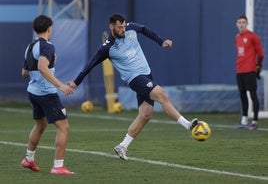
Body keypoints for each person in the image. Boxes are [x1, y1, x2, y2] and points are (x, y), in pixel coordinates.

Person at [68, 13, 200, 160]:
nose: (123, 29)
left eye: (124, 26)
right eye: (119, 27)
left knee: (145, 115)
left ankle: (122, 146)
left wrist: (160, 41)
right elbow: (89, 65)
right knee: (162, 95)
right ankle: (188, 125)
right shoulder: (107, 48)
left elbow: (144, 29)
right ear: (111, 27)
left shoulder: (131, 28)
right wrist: (75, 82)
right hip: (135, 79)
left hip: (147, 74)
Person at [20, 15, 75, 174]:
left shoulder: (30, 47)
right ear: (50, 29)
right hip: (46, 94)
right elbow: (42, 67)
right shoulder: (47, 46)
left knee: (40, 125)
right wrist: (61, 86)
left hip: (33, 92)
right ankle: (58, 166)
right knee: (63, 127)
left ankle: (29, 158)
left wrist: (50, 64)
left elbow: (24, 73)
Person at [234, 15, 264, 130]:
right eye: (239, 22)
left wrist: (258, 66)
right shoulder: (236, 37)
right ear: (236, 24)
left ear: (247, 24)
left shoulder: (253, 37)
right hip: (239, 70)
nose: (241, 24)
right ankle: (244, 120)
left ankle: (255, 121)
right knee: (242, 95)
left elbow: (260, 54)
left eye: (243, 22)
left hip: (250, 70)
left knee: (253, 95)